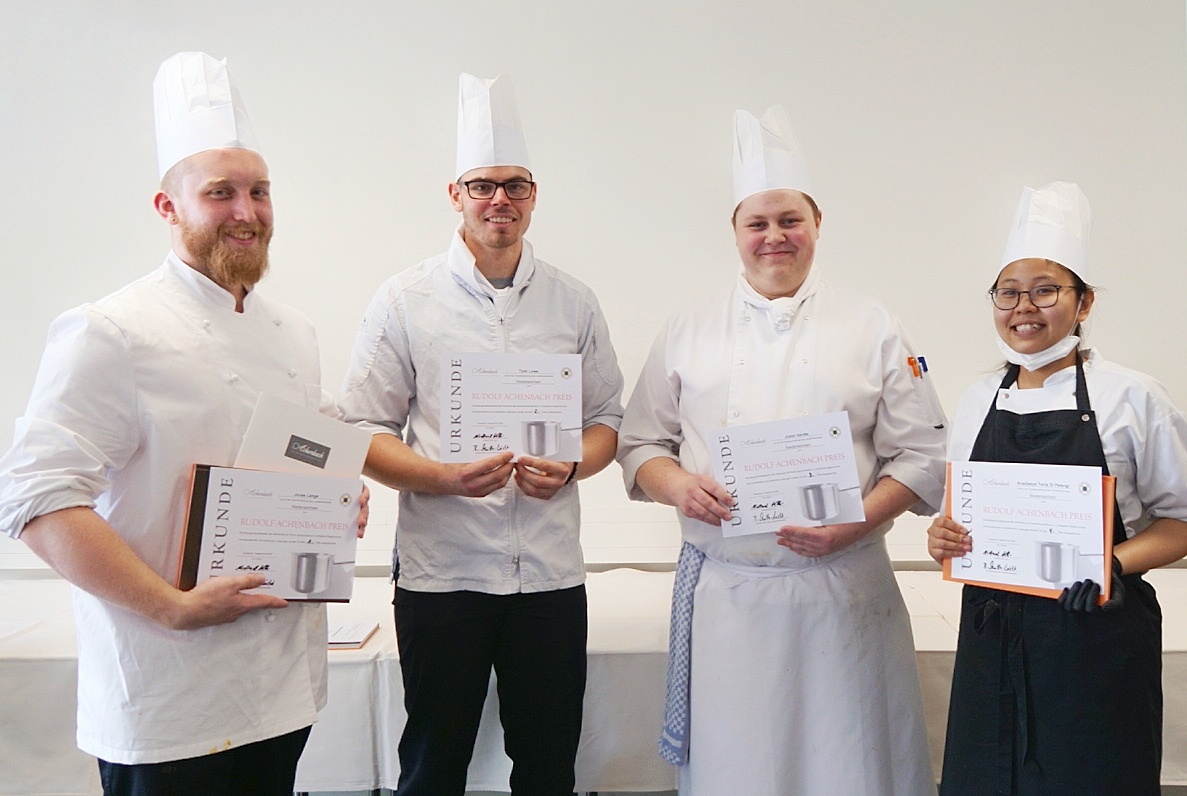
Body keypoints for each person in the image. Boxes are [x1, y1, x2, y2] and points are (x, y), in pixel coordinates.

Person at [0, 52, 367, 796]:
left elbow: (309, 446)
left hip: (280, 688)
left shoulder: (292, 331)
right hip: (170, 697)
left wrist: (338, 496)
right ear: (168, 208)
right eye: (220, 193)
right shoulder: (111, 329)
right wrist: (169, 606)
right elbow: (35, 499)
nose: (247, 211)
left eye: (259, 192)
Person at [616, 106, 944, 795]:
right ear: (734, 232)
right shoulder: (688, 327)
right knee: (741, 769)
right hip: (732, 597)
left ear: (817, 224)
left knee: (850, 765)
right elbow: (641, 442)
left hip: (846, 595)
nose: (774, 237)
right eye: (756, 223)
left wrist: (857, 519)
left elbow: (920, 454)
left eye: (789, 220)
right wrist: (676, 485)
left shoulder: (871, 322)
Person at [338, 73, 624, 796]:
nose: (500, 199)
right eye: (482, 185)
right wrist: (439, 477)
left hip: (549, 576)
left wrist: (571, 466)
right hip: (444, 575)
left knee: (549, 762)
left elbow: (606, 422)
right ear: (455, 194)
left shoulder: (572, 300)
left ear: (534, 195)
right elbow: (361, 427)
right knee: (434, 763)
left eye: (516, 185)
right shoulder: (404, 300)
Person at [927, 181, 1187, 795]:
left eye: (1046, 290)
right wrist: (944, 536)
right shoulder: (972, 401)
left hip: (1095, 640)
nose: (1024, 307)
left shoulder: (1133, 397)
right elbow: (957, 519)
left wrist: (1111, 564)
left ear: (1084, 301)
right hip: (992, 641)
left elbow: (1180, 523)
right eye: (1008, 292)